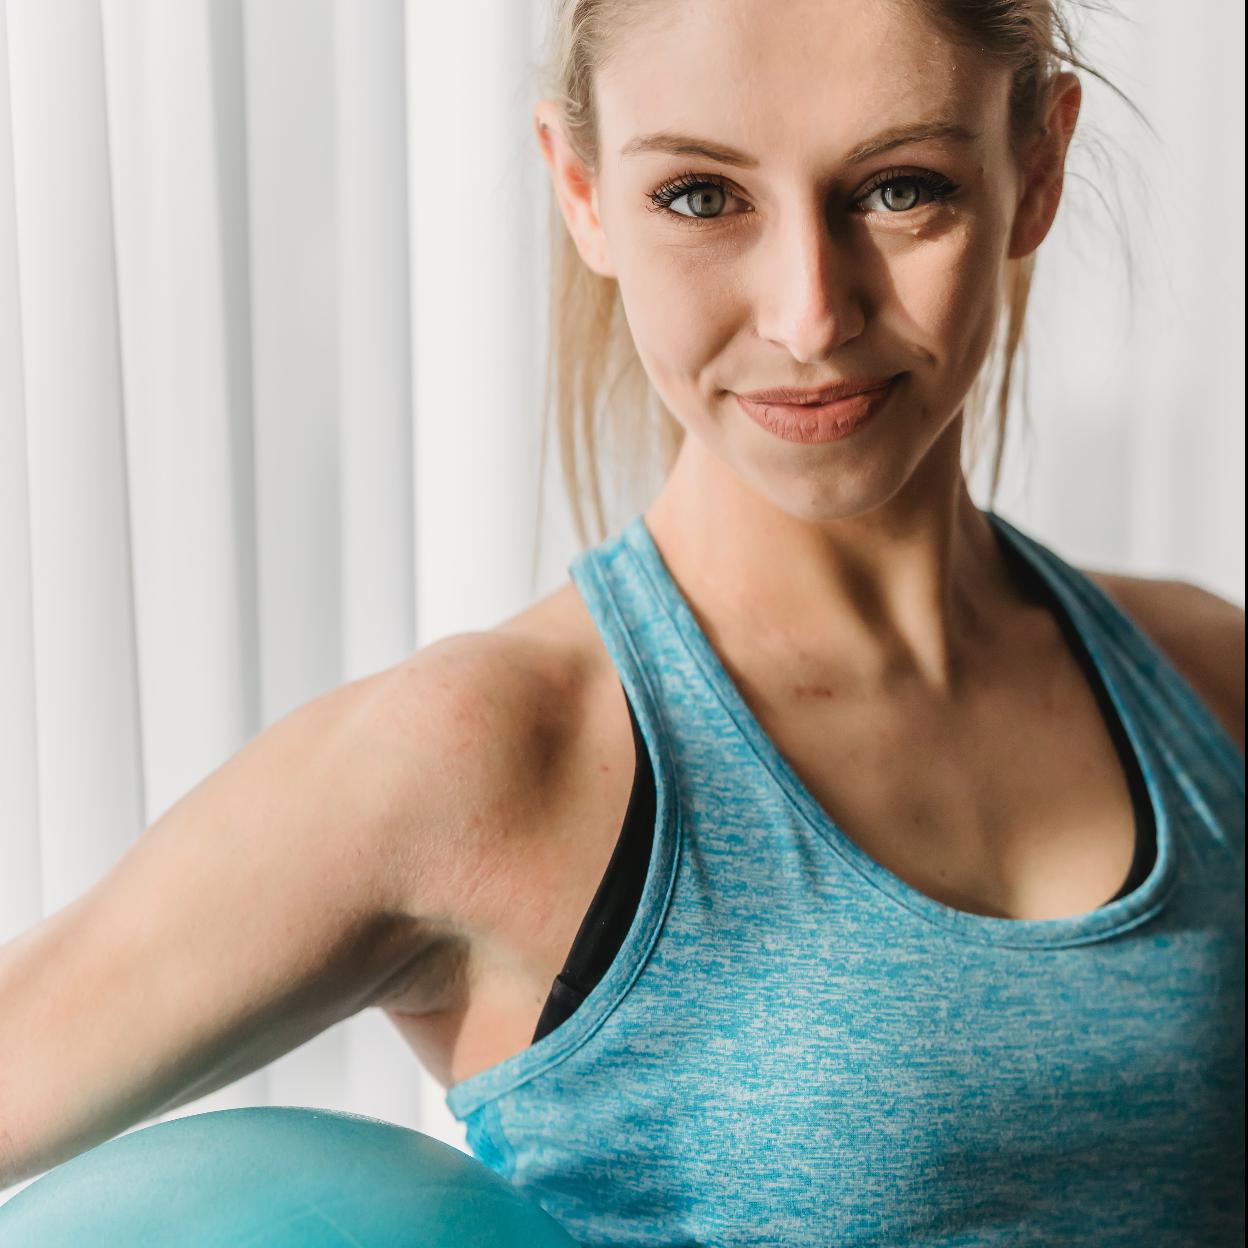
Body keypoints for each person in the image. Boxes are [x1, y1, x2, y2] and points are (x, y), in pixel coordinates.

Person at [1, 0, 1241, 1243]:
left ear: (1038, 166)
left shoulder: (1211, 681)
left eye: (900, 187)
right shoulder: (487, 758)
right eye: (702, 197)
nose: (810, 315)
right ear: (582, 189)